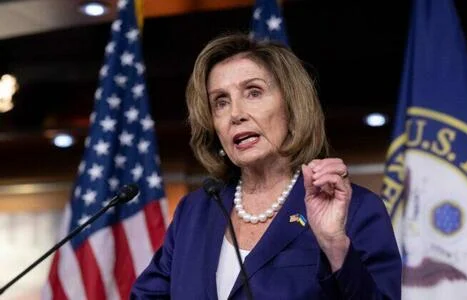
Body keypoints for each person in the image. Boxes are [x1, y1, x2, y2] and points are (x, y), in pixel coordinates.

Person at [131, 32, 402, 299]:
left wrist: (334, 244)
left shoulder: (357, 209)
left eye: (253, 92)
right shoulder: (194, 212)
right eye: (221, 102)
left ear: (292, 107)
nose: (236, 114)